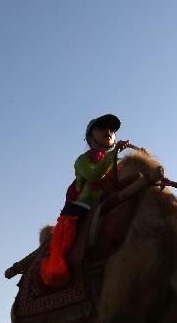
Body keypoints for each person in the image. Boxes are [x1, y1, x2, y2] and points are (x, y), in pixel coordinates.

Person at [40, 113, 131, 287]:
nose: (109, 131)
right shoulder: (83, 160)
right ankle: (56, 264)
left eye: (112, 129)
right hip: (84, 206)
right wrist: (114, 157)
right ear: (90, 136)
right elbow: (94, 175)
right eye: (102, 127)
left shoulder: (118, 163)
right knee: (68, 227)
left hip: (110, 202)